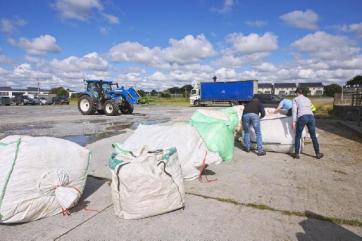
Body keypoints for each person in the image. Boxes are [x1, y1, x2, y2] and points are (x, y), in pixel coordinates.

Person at [292, 87, 323, 159]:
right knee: (313, 136)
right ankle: (317, 153)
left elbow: (294, 111)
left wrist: (294, 121)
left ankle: (297, 154)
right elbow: (313, 108)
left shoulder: (295, 99)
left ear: (297, 93)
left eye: (296, 93)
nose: (296, 94)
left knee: (298, 136)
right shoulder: (308, 99)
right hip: (311, 117)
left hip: (302, 117)